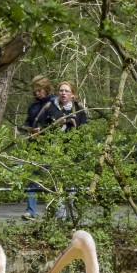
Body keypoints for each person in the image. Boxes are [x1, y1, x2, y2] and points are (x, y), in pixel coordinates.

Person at [21, 75, 61, 220]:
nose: (37, 93)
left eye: (39, 90)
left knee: (52, 181)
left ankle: (53, 212)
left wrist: (43, 130)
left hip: (49, 147)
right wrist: (26, 129)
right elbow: (28, 123)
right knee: (32, 179)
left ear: (46, 89)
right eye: (35, 91)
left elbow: (59, 123)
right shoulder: (33, 106)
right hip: (34, 147)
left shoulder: (53, 103)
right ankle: (30, 211)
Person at [53, 81, 88, 219]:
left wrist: (75, 125)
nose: (63, 93)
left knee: (71, 189)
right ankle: (59, 220)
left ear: (72, 95)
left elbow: (85, 131)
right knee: (58, 188)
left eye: (66, 91)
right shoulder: (53, 108)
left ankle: (71, 217)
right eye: (61, 90)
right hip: (56, 152)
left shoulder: (79, 110)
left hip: (73, 153)